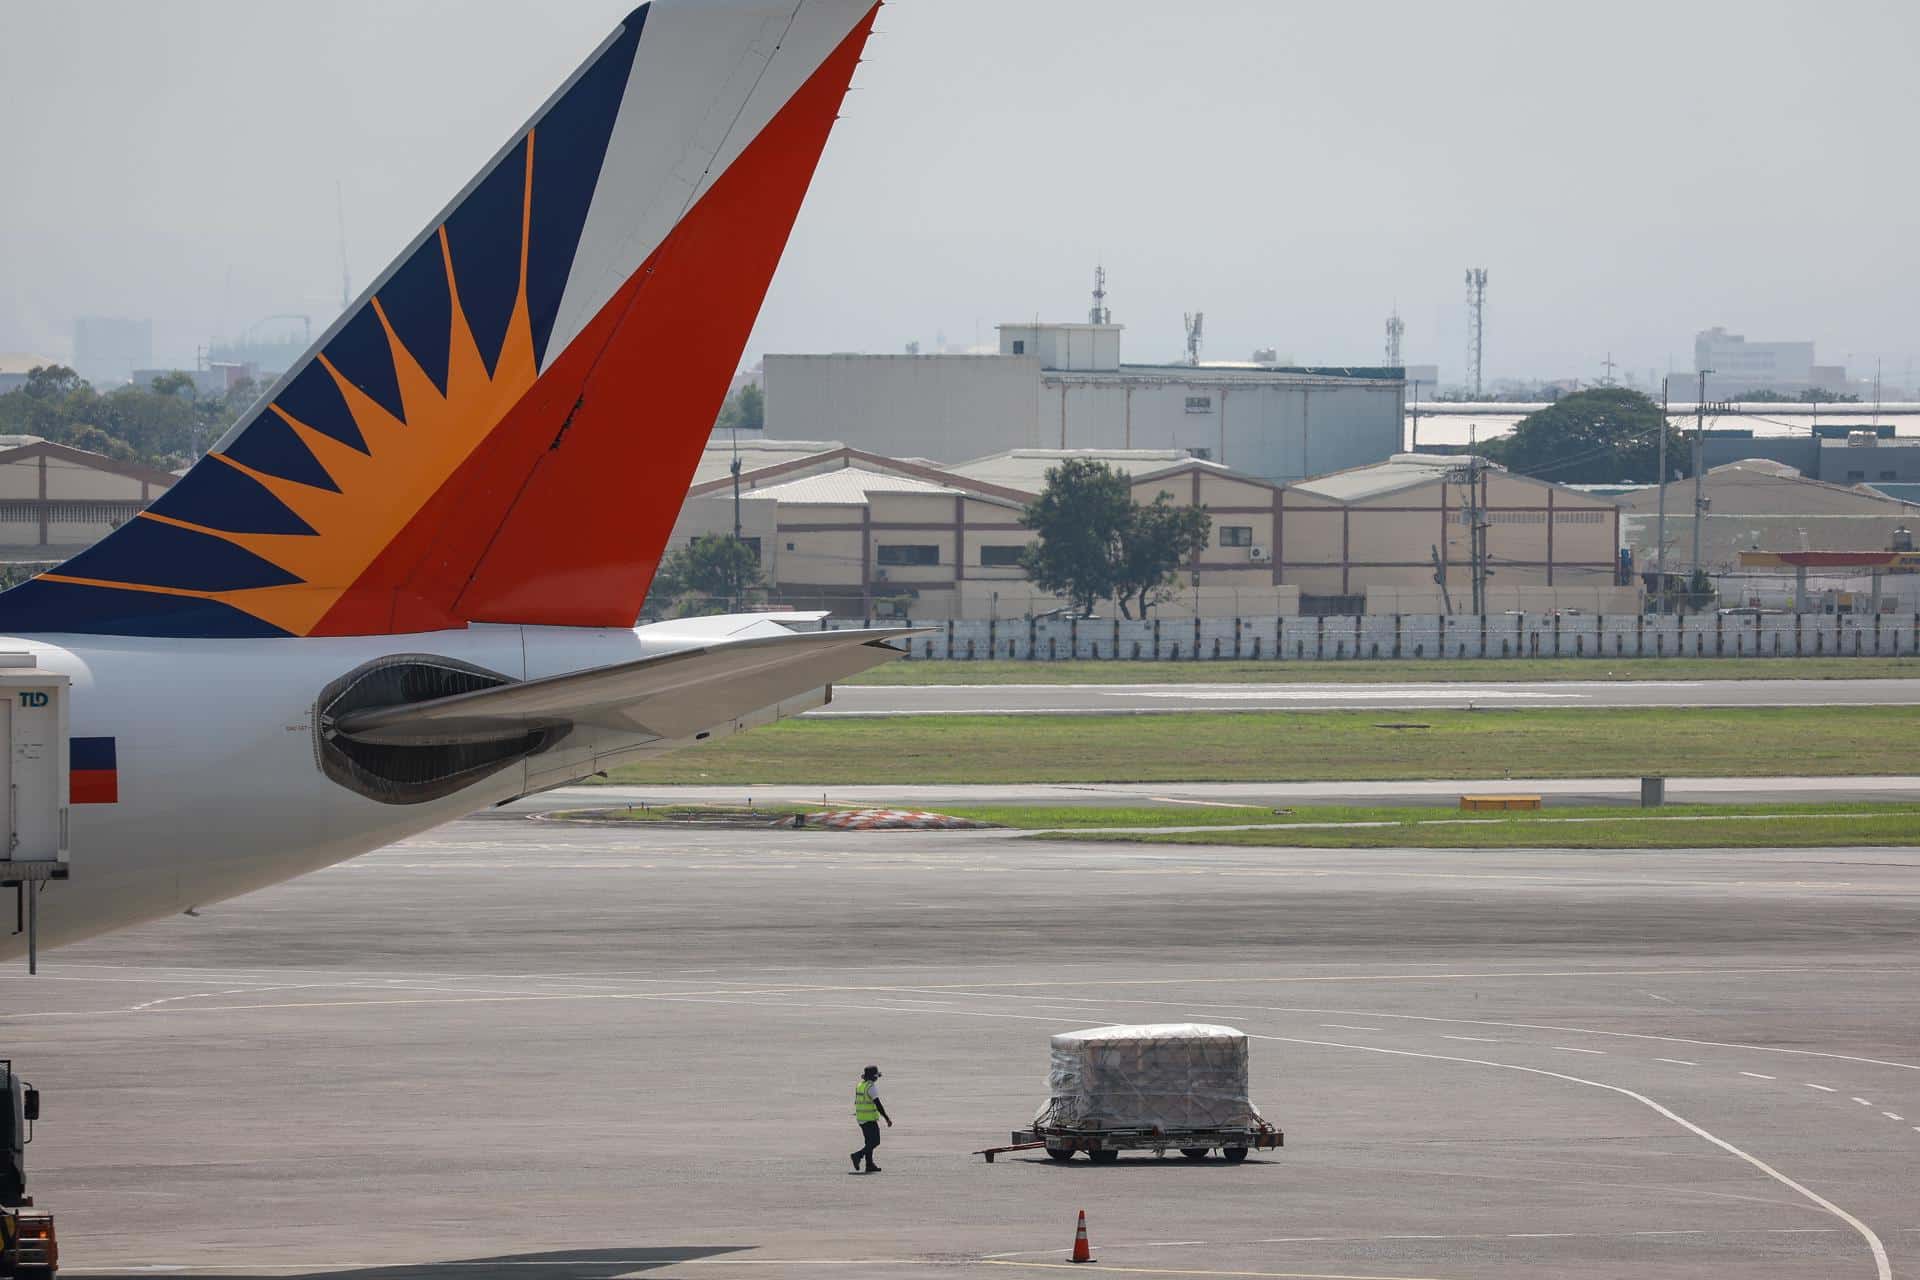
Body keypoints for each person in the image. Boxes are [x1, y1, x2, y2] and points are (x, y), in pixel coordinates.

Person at [849, 1065, 891, 1173]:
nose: (877, 1078)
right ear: (872, 1077)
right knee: (876, 1141)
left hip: (861, 1118)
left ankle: (869, 1164)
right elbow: (878, 1104)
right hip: (869, 1119)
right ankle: (857, 1155)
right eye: (876, 1076)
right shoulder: (871, 1087)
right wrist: (887, 1118)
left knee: (869, 1142)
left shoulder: (860, 1085)